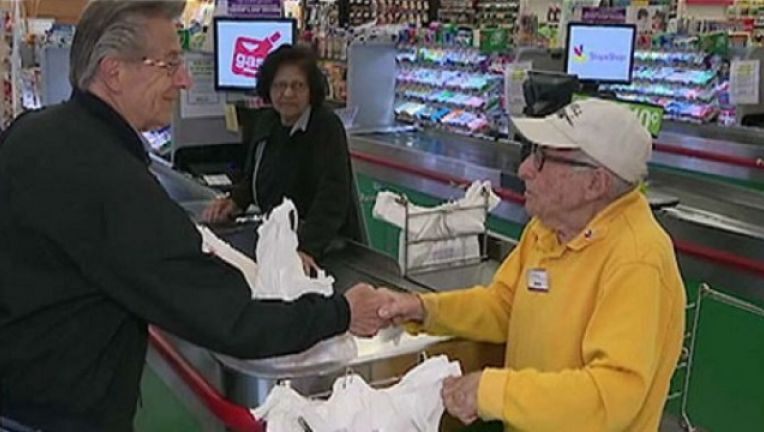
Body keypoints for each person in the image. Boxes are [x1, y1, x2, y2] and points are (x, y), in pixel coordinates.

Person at [0, 2, 387, 431]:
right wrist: (341, 313)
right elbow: (231, 318)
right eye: (169, 64)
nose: (184, 79)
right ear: (114, 72)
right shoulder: (112, 181)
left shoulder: (32, 132)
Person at [379, 99, 687, 431]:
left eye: (542, 158)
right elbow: (505, 306)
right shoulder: (547, 230)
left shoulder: (638, 259)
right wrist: (424, 309)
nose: (524, 168)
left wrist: (492, 391)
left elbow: (609, 397)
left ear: (595, 183)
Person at [203, 45, 360, 275]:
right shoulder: (267, 122)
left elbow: (333, 197)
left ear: (311, 90)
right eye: (280, 85)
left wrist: (307, 249)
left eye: (297, 86)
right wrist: (234, 201)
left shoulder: (326, 126)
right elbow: (254, 175)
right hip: (277, 239)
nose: (287, 93)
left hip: (326, 247)